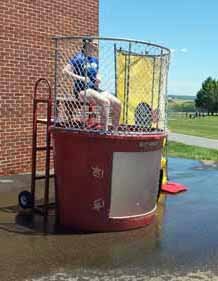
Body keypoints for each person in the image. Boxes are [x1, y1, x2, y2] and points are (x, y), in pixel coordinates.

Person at [63, 38, 121, 131]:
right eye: (95, 43)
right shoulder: (79, 58)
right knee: (105, 102)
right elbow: (65, 71)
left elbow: (97, 73)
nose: (97, 45)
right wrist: (80, 77)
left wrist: (99, 77)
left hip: (94, 90)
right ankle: (104, 132)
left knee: (117, 103)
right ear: (88, 44)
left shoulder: (95, 60)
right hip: (82, 90)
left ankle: (115, 131)